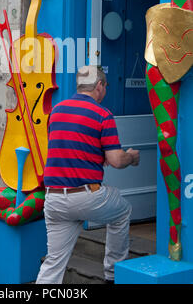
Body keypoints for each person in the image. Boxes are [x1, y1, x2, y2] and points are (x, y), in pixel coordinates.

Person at [36, 65, 140, 284]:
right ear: (99, 85)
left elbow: (69, 149)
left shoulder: (56, 111)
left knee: (53, 262)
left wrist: (97, 157)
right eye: (106, 86)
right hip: (85, 196)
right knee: (123, 211)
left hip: (54, 198)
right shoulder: (102, 114)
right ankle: (112, 275)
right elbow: (116, 161)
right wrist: (131, 156)